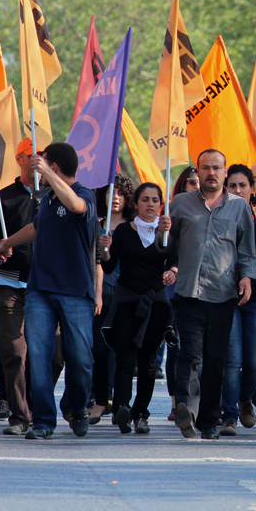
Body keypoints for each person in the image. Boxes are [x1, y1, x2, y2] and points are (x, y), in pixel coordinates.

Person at [0, 142, 99, 440]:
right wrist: (6, 243)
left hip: (75, 291)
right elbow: (35, 228)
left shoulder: (84, 196)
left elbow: (76, 207)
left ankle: (76, 407)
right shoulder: (48, 201)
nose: (37, 172)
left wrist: (48, 175)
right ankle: (43, 421)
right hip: (40, 290)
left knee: (80, 358)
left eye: (44, 165)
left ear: (56, 168)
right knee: (38, 355)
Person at [159, 149, 256, 440]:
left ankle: (209, 421)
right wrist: (162, 232)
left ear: (225, 172)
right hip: (188, 293)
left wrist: (247, 279)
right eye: (205, 168)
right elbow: (165, 250)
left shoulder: (240, 208)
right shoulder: (179, 204)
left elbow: (247, 251)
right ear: (197, 172)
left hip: (223, 294)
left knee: (215, 359)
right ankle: (187, 409)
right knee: (189, 354)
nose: (211, 173)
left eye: (216, 168)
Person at [99, 182, 176, 434]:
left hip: (155, 303)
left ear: (161, 204)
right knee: (125, 357)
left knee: (148, 362)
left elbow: (174, 262)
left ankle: (141, 413)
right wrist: (105, 251)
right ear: (136, 203)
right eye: (145, 199)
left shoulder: (166, 231)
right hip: (126, 301)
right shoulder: (122, 230)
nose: (150, 204)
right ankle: (122, 408)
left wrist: (172, 272)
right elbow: (109, 267)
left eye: (155, 200)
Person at [0, 137, 43, 435]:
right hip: (10, 286)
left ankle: (37, 406)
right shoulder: (3, 198)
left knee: (53, 354)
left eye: (42, 155)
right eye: (31, 155)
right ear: (19, 158)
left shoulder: (56, 198)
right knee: (15, 351)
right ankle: (20, 415)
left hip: (47, 288)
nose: (36, 160)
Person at [220, 163, 256, 436]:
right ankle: (230, 415)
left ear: (252, 189)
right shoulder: (220, 213)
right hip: (227, 296)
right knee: (232, 359)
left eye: (242, 185)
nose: (237, 190)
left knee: (254, 362)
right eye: (233, 185)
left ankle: (246, 397)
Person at [88, 173, 135, 425]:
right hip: (100, 296)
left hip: (127, 296)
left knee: (122, 352)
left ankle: (120, 404)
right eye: (110, 192)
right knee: (99, 349)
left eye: (120, 193)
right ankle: (99, 400)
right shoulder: (96, 224)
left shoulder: (136, 225)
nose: (115, 197)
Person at [159, 165, 201, 421]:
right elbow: (164, 250)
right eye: (192, 182)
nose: (196, 186)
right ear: (182, 186)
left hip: (205, 290)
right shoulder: (174, 211)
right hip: (176, 289)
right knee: (176, 347)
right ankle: (178, 403)